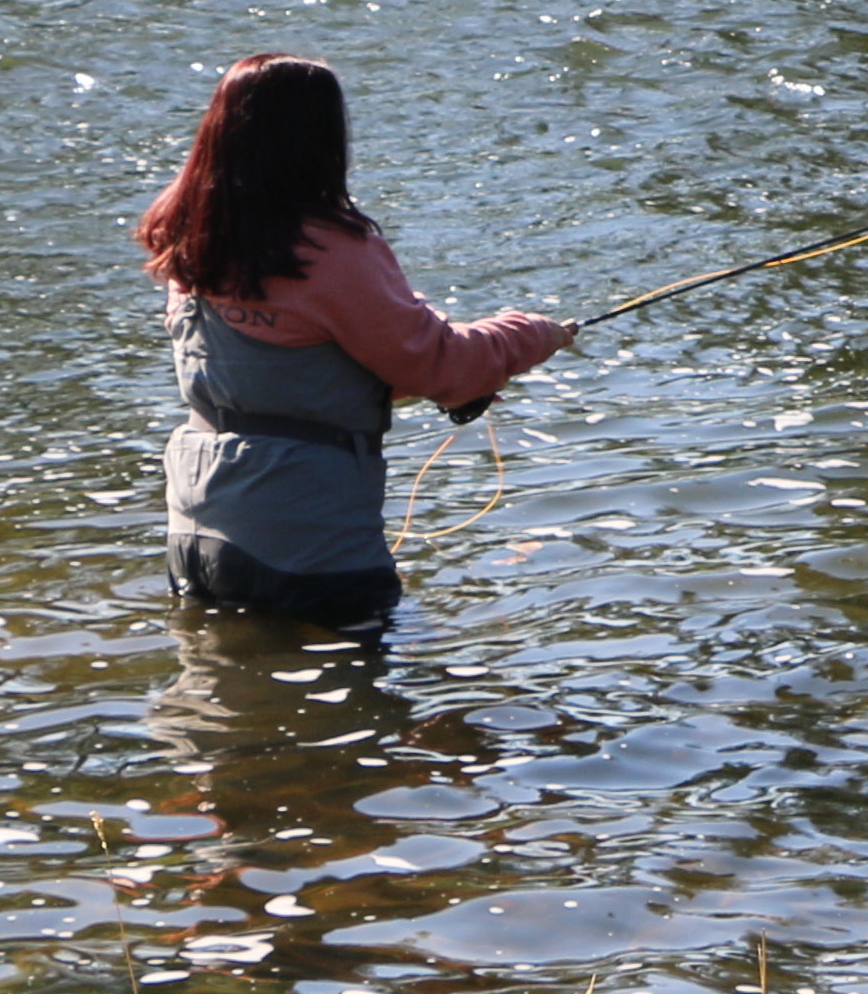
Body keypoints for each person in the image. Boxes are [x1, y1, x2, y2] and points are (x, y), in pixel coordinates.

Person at [135, 55, 569, 633]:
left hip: (197, 526)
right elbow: (443, 367)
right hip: (305, 537)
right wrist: (536, 333)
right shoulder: (330, 250)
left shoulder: (192, 240)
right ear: (319, 139)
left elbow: (284, 374)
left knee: (225, 675)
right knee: (377, 680)